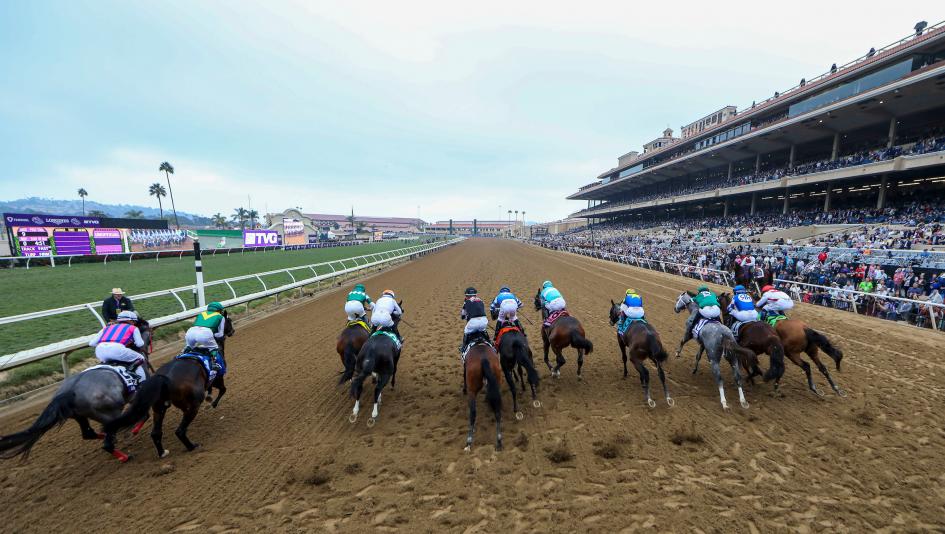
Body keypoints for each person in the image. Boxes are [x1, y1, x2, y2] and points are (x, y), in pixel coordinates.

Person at [88, 310, 147, 382]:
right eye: (134, 322)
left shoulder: (106, 328)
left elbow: (91, 343)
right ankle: (139, 379)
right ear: (131, 321)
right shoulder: (133, 328)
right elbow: (140, 344)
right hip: (117, 350)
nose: (134, 323)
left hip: (100, 351)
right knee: (141, 358)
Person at [460, 287, 489, 353]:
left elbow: (463, 315)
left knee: (466, 331)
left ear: (467, 296)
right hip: (484, 320)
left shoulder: (466, 302)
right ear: (475, 295)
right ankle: (490, 342)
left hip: (473, 322)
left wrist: (465, 317)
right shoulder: (481, 300)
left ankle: (463, 347)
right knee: (484, 330)